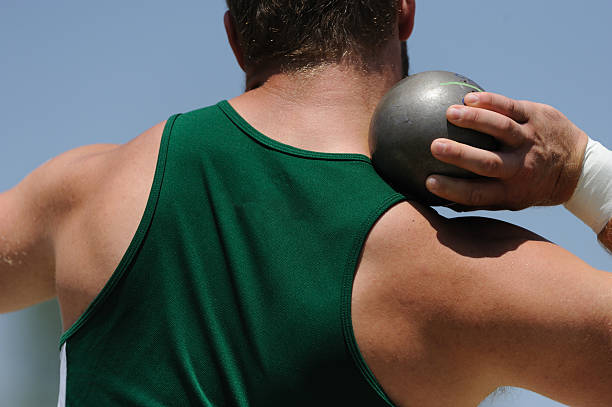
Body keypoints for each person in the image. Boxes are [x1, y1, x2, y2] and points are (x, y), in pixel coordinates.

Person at [0, 1, 610, 406]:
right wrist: (579, 171)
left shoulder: (81, 192)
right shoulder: (458, 276)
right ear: (403, 12)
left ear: (236, 39)